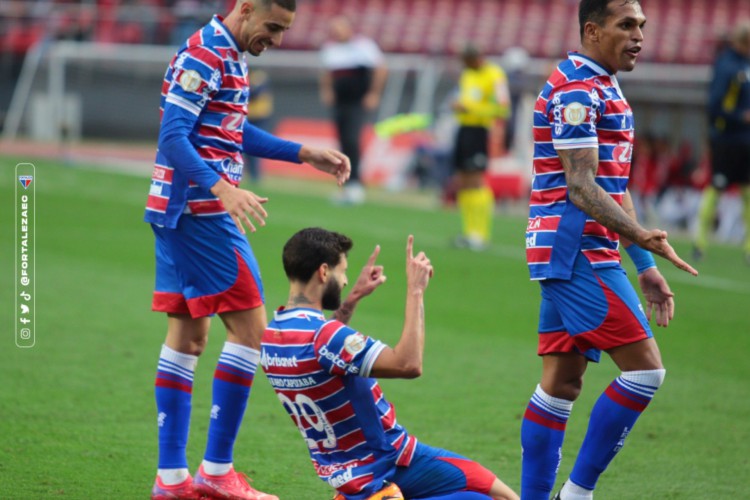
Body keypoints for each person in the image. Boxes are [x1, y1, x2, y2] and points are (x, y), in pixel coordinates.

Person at [144, 1, 351, 499]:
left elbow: (231, 131)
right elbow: (172, 136)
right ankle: (217, 472)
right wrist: (223, 189)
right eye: (272, 27)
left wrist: (302, 152)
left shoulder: (228, 54)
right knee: (254, 336)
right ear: (245, 7)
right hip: (202, 215)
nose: (276, 39)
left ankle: (172, 479)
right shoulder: (206, 53)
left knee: (188, 340)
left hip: (176, 211)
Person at [522, 1, 699, 499]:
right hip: (576, 249)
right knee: (645, 372)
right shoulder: (578, 89)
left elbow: (612, 185)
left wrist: (642, 263)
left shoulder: (601, 82)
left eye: (642, 25)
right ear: (593, 30)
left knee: (561, 385)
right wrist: (642, 237)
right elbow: (582, 187)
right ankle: (576, 495)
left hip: (570, 248)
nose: (639, 35)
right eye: (627, 25)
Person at [261, 228, 519, 500]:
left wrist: (351, 301)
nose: (346, 280)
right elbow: (408, 364)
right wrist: (416, 290)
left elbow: (321, 356)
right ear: (324, 272)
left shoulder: (274, 336)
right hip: (387, 465)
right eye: (342, 271)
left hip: (350, 473)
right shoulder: (325, 337)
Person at [693, 21, 750, 263]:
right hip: (726, 139)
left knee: (747, 193)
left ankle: (748, 248)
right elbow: (715, 106)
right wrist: (740, 116)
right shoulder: (726, 65)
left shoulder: (745, 65)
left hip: (745, 140)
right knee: (716, 188)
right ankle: (699, 243)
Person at [320, 15, 388, 205]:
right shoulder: (330, 49)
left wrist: (374, 93)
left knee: (351, 139)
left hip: (357, 102)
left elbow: (380, 69)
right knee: (342, 142)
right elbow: (326, 73)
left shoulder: (364, 46)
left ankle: (356, 184)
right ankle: (346, 185)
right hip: (340, 102)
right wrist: (327, 90)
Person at [451, 44, 510, 251]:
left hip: (479, 130)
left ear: (477, 59)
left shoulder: (494, 75)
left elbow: (502, 107)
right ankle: (469, 232)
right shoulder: (467, 75)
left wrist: (472, 108)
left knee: (476, 181)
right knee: (464, 181)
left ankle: (481, 234)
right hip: (464, 128)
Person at [243, 69, 275, 183]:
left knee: (256, 146)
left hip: (259, 117)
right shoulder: (246, 76)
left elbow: (254, 93)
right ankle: (251, 174)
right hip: (250, 116)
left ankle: (255, 175)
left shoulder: (259, 77)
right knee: (247, 148)